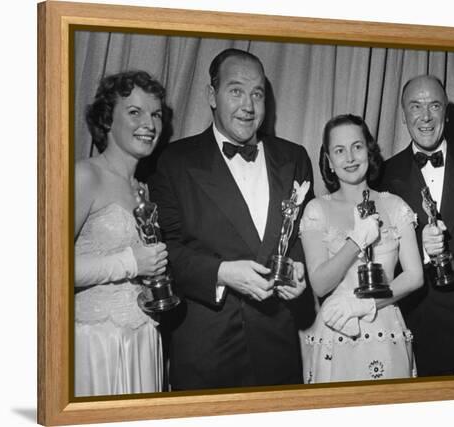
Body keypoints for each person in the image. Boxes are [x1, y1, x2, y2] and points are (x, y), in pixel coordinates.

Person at [148, 48, 314, 390]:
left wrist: (298, 269)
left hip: (278, 348)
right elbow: (164, 251)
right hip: (207, 349)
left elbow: (299, 235)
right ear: (212, 95)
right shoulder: (174, 161)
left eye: (257, 93)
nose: (248, 106)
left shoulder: (294, 157)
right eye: (235, 90)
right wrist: (222, 273)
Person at [379, 74, 454, 376]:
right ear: (404, 115)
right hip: (412, 328)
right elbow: (380, 261)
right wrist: (424, 253)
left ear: (446, 112)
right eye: (415, 106)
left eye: (434, 105)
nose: (426, 116)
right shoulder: (384, 176)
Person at [300, 114, 423, 383]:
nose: (350, 158)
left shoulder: (395, 206)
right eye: (339, 151)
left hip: (386, 329)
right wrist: (356, 240)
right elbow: (320, 284)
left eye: (357, 146)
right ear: (329, 162)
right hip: (337, 332)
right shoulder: (316, 210)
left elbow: (415, 276)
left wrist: (364, 304)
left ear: (369, 150)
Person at [74, 70, 171, 396]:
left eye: (155, 113)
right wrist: (131, 263)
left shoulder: (144, 190)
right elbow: (45, 269)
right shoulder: (85, 175)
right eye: (135, 112)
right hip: (96, 343)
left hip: (143, 340)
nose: (150, 123)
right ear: (106, 120)